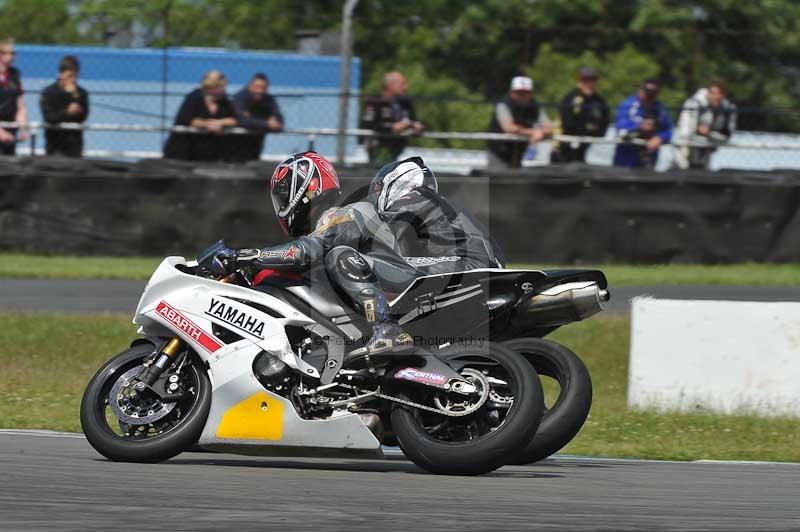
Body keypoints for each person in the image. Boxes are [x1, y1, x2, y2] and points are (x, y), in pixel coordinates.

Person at [216, 151, 416, 355]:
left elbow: (305, 252)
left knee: (340, 256)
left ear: (308, 184)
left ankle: (387, 329)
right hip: (380, 283)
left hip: (400, 283)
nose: (282, 204)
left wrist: (247, 257)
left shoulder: (344, 214)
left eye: (284, 195)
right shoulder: (326, 227)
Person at [370, 157, 504, 270]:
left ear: (397, 182)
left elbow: (390, 245)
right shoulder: (434, 202)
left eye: (379, 189)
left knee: (384, 265)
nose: (376, 195)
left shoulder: (414, 200)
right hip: (483, 264)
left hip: (473, 264)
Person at [163, 70, 238, 162]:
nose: (223, 90)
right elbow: (185, 119)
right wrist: (207, 124)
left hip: (208, 153)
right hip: (184, 150)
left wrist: (220, 122)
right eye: (220, 87)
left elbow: (235, 119)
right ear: (211, 87)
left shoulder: (224, 101)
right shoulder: (194, 97)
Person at [487, 76, 553, 169]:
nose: (522, 96)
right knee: (497, 179)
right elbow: (509, 127)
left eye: (526, 93)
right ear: (511, 92)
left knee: (515, 179)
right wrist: (533, 132)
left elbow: (549, 127)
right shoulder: (503, 104)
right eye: (518, 92)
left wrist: (541, 132)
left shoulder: (534, 106)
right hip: (499, 151)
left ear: (531, 93)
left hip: (519, 153)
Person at [360, 71, 424, 167]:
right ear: (390, 85)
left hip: (398, 148)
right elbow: (370, 124)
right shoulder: (376, 101)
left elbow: (414, 121)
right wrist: (392, 128)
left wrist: (416, 126)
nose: (405, 87)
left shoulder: (405, 102)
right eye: (402, 84)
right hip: (379, 148)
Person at [674, 80, 737, 169]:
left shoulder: (727, 110)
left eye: (719, 94)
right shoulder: (693, 103)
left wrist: (709, 133)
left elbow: (726, 138)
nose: (715, 97)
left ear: (723, 95)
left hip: (707, 150)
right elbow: (686, 134)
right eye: (712, 93)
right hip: (685, 150)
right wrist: (701, 132)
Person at [551, 67, 609, 163]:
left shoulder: (599, 101)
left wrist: (590, 130)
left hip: (583, 149)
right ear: (579, 81)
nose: (589, 83)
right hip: (562, 150)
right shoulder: (571, 98)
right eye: (585, 80)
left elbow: (603, 126)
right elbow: (568, 125)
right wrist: (589, 128)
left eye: (592, 79)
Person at [613, 79, 673, 168]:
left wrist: (660, 138)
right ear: (640, 89)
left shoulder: (659, 109)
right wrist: (639, 126)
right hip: (626, 161)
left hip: (648, 162)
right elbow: (620, 127)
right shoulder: (628, 105)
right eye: (647, 91)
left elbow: (668, 130)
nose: (649, 95)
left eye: (654, 92)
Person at [40, 55, 89, 157]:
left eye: (75, 76)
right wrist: (67, 112)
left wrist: (75, 96)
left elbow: (83, 117)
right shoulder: (48, 92)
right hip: (54, 145)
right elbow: (49, 118)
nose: (72, 80)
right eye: (69, 76)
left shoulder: (82, 93)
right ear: (60, 74)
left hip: (75, 145)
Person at [230, 72, 284, 162]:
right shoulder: (240, 98)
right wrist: (266, 123)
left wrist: (255, 121)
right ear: (250, 86)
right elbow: (242, 120)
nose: (259, 91)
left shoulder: (268, 100)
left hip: (256, 143)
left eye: (263, 88)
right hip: (235, 144)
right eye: (257, 87)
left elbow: (278, 120)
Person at [0, 38, 28, 155]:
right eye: (7, 53)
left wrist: (23, 128)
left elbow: (20, 105)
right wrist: (1, 133)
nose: (11, 56)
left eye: (13, 53)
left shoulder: (15, 74)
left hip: (10, 130)